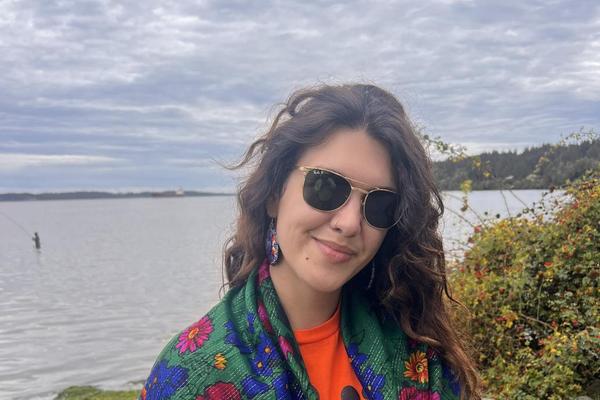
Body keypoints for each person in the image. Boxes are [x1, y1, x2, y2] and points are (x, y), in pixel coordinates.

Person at [140, 84, 481, 400]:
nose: (349, 223)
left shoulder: (416, 342)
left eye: (379, 204)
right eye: (326, 186)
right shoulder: (192, 376)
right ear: (275, 193)